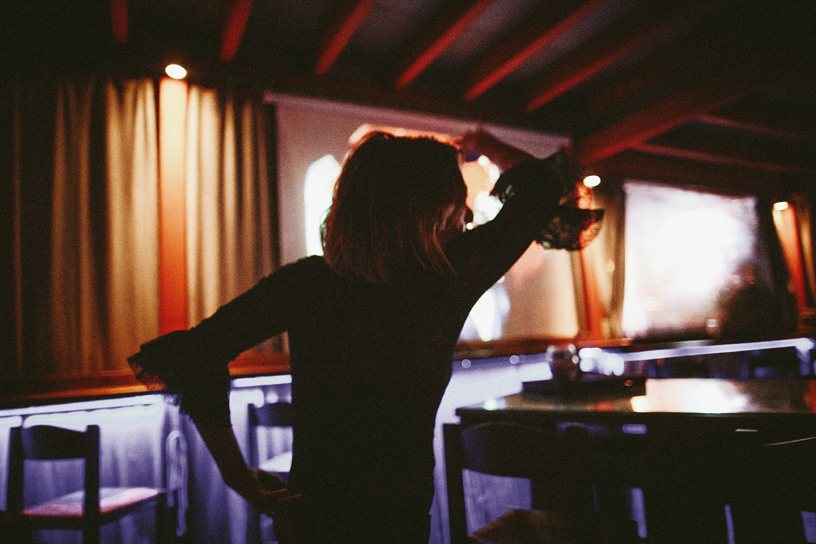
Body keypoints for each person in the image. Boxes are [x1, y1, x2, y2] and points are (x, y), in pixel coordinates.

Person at [128, 128, 601, 543]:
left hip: (309, 517)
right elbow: (540, 187)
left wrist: (238, 479)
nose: (466, 216)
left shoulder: (306, 283)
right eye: (458, 201)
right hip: (398, 519)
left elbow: (193, 354)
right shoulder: (447, 280)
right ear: (427, 209)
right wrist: (484, 141)